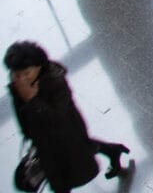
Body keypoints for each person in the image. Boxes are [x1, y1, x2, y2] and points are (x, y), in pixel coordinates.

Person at [5, 41, 132, 191]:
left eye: (26, 73)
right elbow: (23, 118)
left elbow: (57, 119)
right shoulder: (18, 86)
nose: (21, 80)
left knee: (64, 176)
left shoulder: (55, 83)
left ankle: (112, 151)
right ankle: (112, 150)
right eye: (16, 75)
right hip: (46, 140)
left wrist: (32, 100)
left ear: (39, 68)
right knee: (82, 149)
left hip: (65, 134)